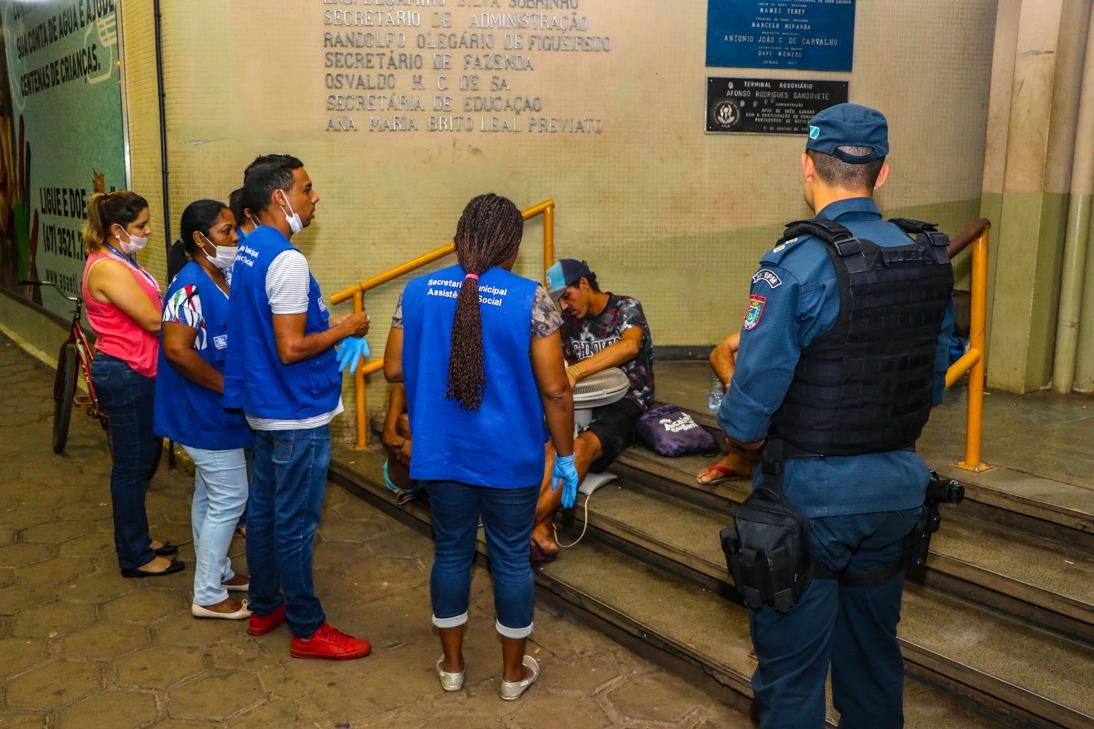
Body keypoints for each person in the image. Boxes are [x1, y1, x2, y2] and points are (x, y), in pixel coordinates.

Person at [719, 103, 954, 728]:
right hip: (898, 493)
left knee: (792, 681)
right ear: (881, 174)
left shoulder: (795, 265)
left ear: (806, 167)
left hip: (808, 503)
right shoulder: (927, 258)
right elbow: (931, 385)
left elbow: (745, 420)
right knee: (873, 665)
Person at [383, 193, 578, 700]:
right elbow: (556, 389)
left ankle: (451, 667)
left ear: (459, 238)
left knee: (450, 553)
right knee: (511, 558)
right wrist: (568, 455)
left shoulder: (417, 291)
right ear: (511, 246)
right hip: (510, 457)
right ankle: (513, 677)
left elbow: (394, 369)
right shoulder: (531, 298)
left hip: (442, 452)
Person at [224, 155, 372, 658]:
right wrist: (344, 330)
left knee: (265, 513)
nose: (315, 198)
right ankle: (307, 628)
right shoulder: (285, 260)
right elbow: (290, 346)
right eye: (307, 189)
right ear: (279, 198)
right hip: (294, 414)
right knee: (295, 522)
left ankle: (266, 606)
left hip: (265, 406)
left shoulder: (249, 251)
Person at [153, 199, 252, 620]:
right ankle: (209, 595)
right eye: (226, 232)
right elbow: (177, 350)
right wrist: (228, 388)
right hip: (203, 410)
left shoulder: (223, 276)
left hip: (217, 409)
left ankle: (220, 571)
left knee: (210, 495)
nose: (236, 238)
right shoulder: (189, 286)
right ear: (200, 239)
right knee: (231, 496)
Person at [81, 191, 183, 578]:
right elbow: (154, 320)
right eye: (141, 226)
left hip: (140, 370)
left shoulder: (123, 259)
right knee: (129, 468)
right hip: (124, 373)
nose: (149, 231)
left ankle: (139, 537)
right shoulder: (107, 268)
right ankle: (134, 555)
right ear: (116, 229)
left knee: (141, 462)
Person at [529, 259, 653, 561]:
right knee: (552, 449)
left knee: (580, 448)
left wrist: (575, 373)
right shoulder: (570, 323)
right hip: (585, 402)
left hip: (626, 402)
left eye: (567, 296)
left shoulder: (626, 307)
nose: (564, 305)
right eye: (559, 301)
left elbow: (629, 347)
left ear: (584, 284)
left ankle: (518, 528)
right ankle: (539, 526)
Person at [696, 332, 762, 485]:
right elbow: (720, 350)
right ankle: (742, 456)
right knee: (737, 355)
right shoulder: (770, 311)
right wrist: (734, 391)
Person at [380, 383, 419, 502]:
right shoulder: (402, 387)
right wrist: (410, 447)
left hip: (431, 459)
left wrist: (420, 449)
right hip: (407, 467)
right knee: (405, 422)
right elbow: (388, 437)